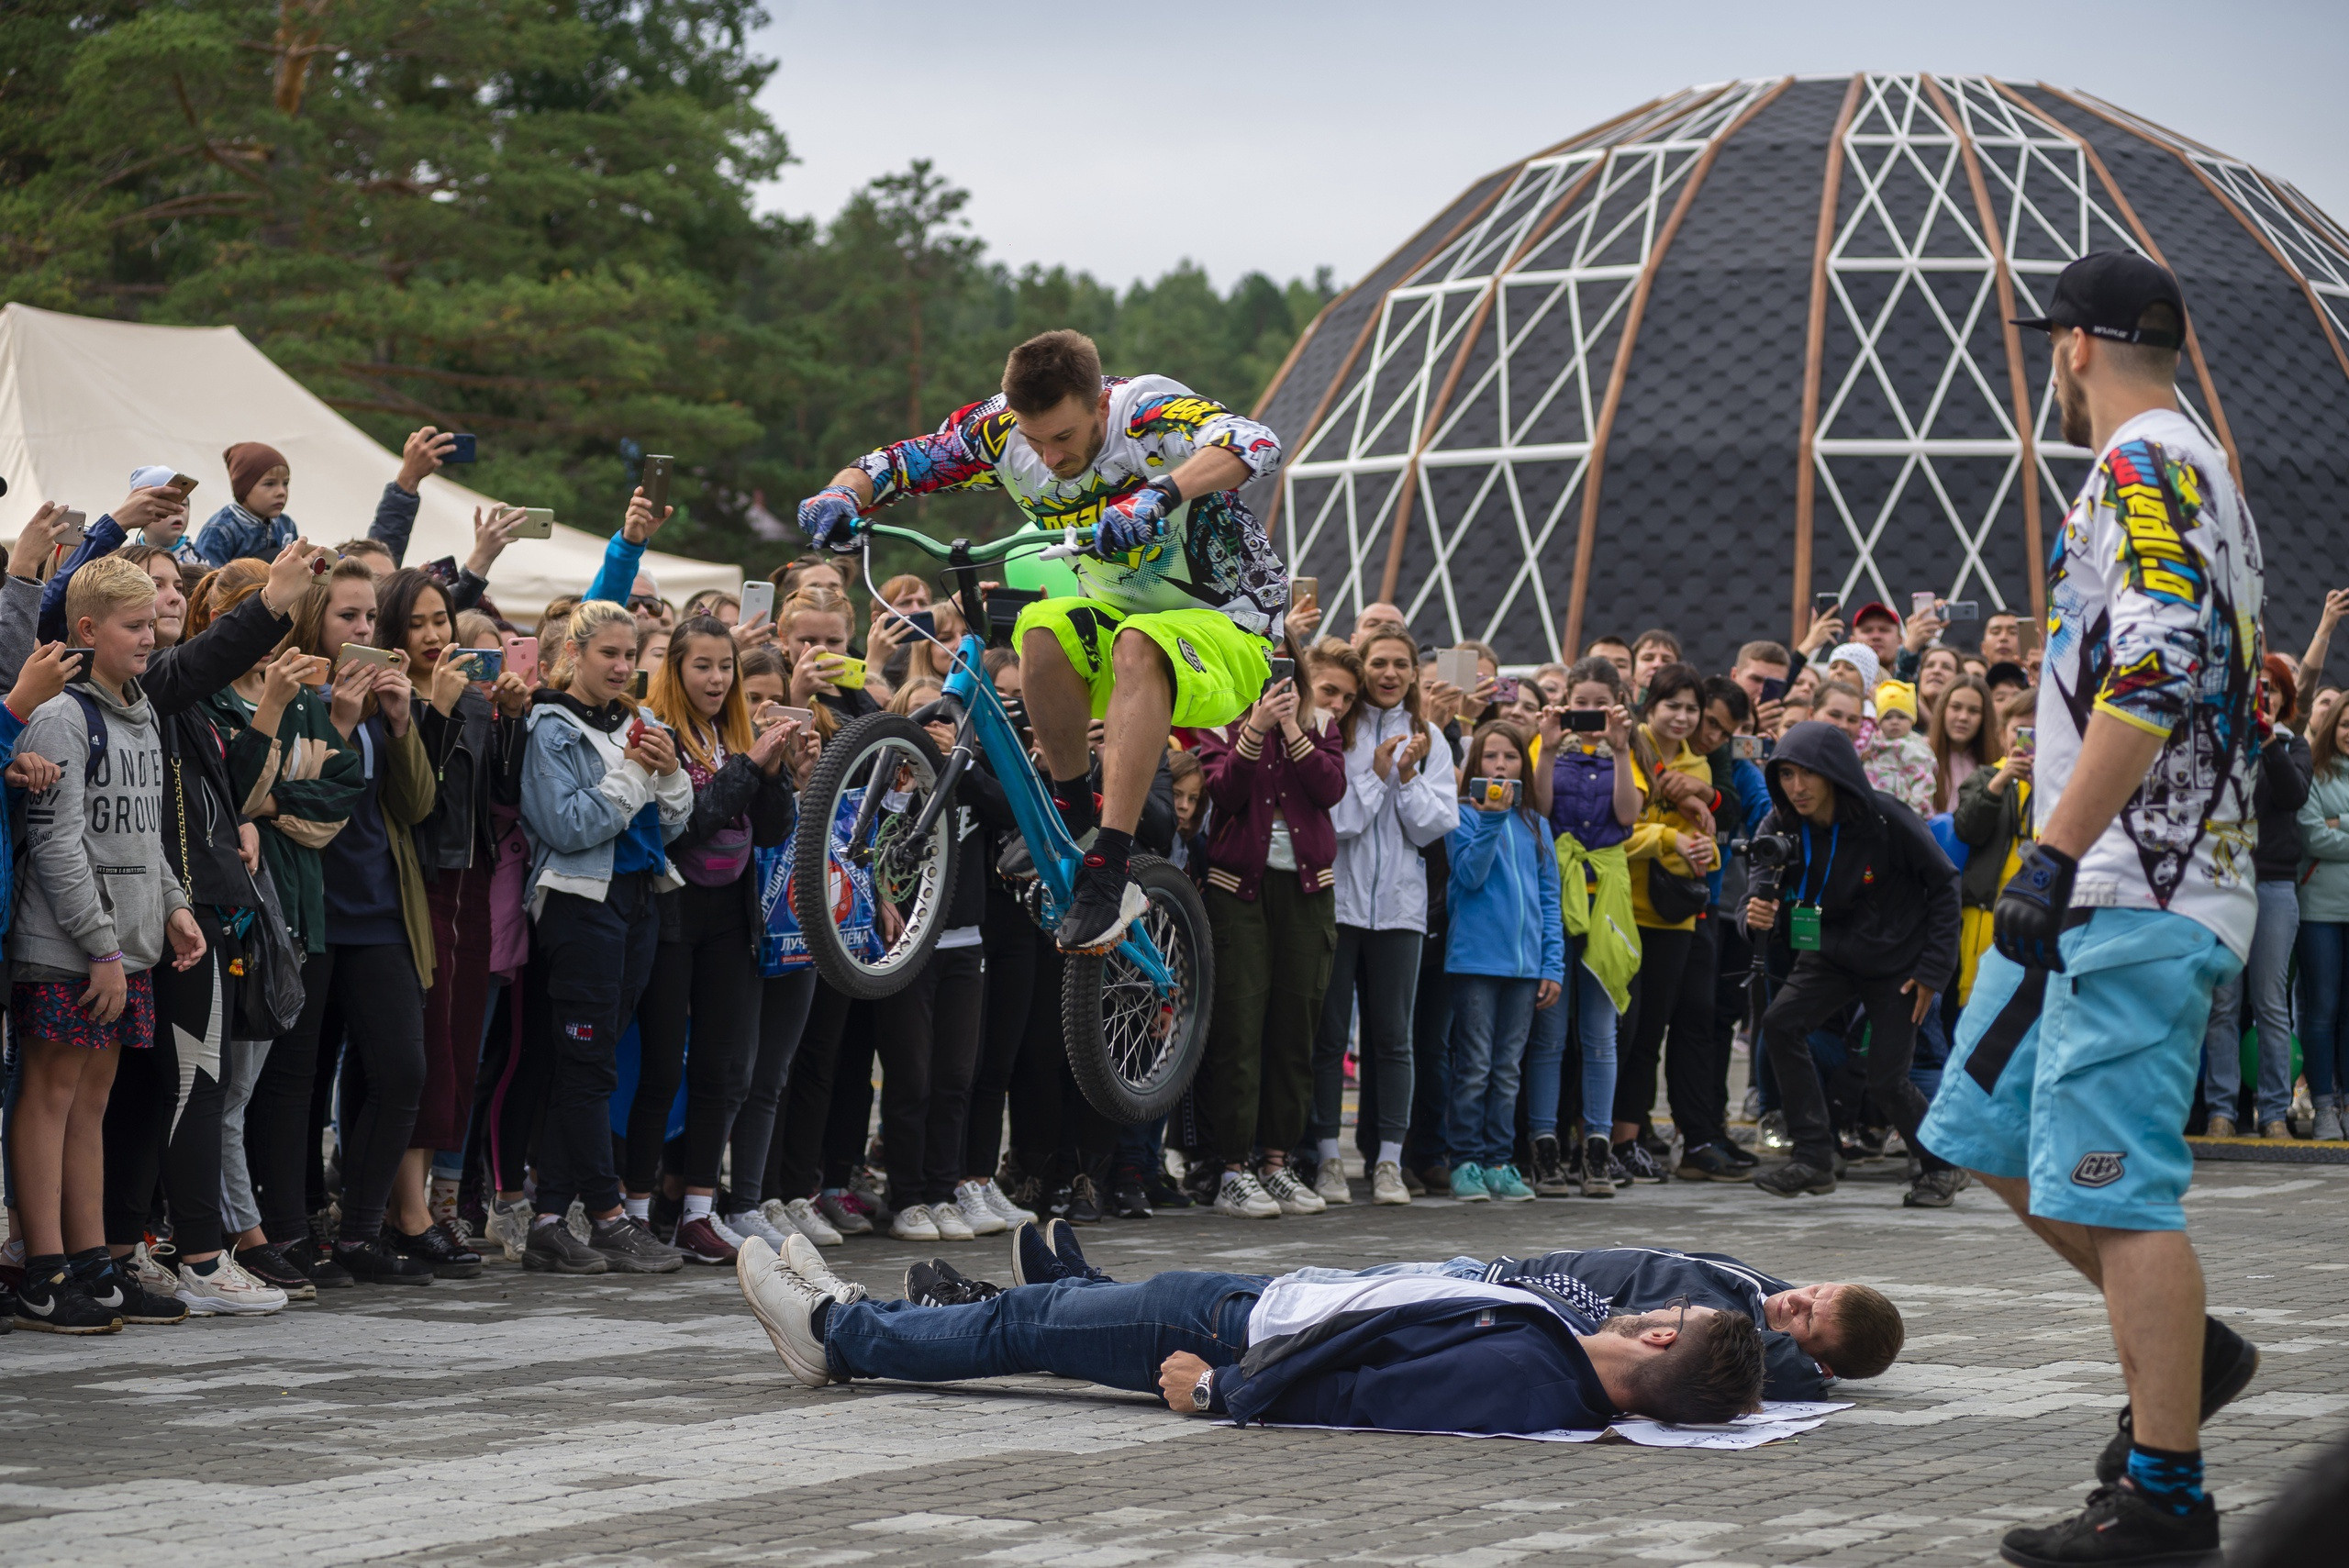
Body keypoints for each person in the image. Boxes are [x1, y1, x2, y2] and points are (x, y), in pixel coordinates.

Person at [1918, 253, 2265, 1566]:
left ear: (2074, 346)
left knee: (2118, 1191)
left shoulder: (2146, 464)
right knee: (1977, 1120)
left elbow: (2167, 655)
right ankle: (2196, 1349)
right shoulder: (2188, 462)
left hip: (2134, 883)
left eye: (2048, 348)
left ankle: (2166, 1496)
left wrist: (2053, 850)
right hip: (2102, 884)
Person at [796, 329, 1285, 953]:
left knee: (1138, 640)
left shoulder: (1145, 415)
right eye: (1035, 441)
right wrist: (844, 492)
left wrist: (1160, 494)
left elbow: (1257, 440)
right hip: (1126, 623)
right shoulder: (999, 432)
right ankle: (1074, 818)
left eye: (1065, 438)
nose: (1049, 459)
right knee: (1043, 631)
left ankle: (1110, 865)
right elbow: (894, 463)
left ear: (1099, 408)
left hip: (1232, 625)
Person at [734, 1225, 1766, 1431]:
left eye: (1673, 1312)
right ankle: (864, 1319)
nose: (1657, 1306)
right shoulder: (1560, 1359)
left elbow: (1366, 1396)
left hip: (1236, 1338)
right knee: (1041, 1316)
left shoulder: (1534, 1381)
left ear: (1665, 1344)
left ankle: (840, 1330)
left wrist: (1219, 1392)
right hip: (1260, 1297)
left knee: (1031, 1321)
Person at [11, 556, 210, 1331]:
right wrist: (98, 944)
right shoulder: (63, 715)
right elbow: (58, 842)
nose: (149, 638)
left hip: (126, 947)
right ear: (87, 630)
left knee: (91, 1102)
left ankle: (94, 1261)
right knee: (51, 1094)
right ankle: (44, 1268)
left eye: (151, 626)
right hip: (68, 946)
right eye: (134, 627)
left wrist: (173, 907)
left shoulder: (144, 710)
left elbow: (146, 832)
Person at [517, 600, 695, 1276]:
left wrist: (670, 770)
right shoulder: (548, 723)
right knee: (587, 1066)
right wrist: (636, 775)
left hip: (640, 900)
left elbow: (675, 821)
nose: (622, 667)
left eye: (631, 655)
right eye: (608, 655)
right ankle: (610, 1215)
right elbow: (566, 824)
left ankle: (549, 1220)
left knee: (590, 1067)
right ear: (575, 655)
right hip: (577, 903)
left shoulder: (636, 720)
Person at [634, 617, 803, 1261]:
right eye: (702, 666)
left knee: (723, 1066)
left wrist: (774, 767)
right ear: (676, 669)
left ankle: (699, 1211)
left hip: (732, 915)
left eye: (724, 666)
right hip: (673, 911)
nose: (716, 679)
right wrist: (748, 767)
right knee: (659, 1065)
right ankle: (637, 1205)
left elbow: (770, 828)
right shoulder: (658, 733)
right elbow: (685, 826)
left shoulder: (733, 730)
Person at [1743, 721, 1965, 1210]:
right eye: (1785, 775)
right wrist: (1754, 914)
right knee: (1780, 1025)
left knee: (1887, 1078)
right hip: (1828, 953)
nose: (1795, 788)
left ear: (1835, 773)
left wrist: (1933, 971)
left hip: (1899, 964)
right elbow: (1757, 892)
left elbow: (1946, 885)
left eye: (1807, 775)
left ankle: (1940, 1166)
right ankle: (1815, 1157)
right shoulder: (1779, 825)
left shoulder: (1886, 818)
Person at [1316, 1244, 1904, 1400]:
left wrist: (1812, 1371)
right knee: (1293, 1293)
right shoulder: (1761, 1296)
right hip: (1479, 1273)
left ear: (1817, 1361)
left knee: (1294, 1310)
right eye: (1817, 1291)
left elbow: (1790, 1376)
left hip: (1477, 1293)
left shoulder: (1744, 1339)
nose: (1796, 1300)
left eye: (1808, 1323)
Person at [1191, 647, 1347, 1219]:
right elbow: (1225, 794)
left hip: (1308, 890)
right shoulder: (1217, 721)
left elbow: (1330, 789)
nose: (1273, 680)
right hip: (1237, 890)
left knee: (1295, 1027)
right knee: (1240, 1025)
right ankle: (1233, 1168)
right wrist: (1254, 728)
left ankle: (1278, 1163)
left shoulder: (1323, 723)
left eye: (1282, 669)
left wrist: (1290, 725)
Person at [1309, 628, 1457, 1206]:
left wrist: (1410, 776)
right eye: (1379, 663)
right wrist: (1373, 772)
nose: (1390, 673)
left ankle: (1389, 1163)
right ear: (1362, 667)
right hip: (1338, 902)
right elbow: (1339, 822)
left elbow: (1433, 827)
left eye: (1401, 664)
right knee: (1327, 1036)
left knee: (1393, 1039)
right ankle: (1326, 1159)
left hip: (1400, 908)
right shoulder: (1337, 729)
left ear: (1415, 674)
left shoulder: (1431, 738)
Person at [1527, 659, 1641, 1197]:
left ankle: (1597, 1149)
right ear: (1567, 702)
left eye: (1602, 704)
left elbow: (1627, 815)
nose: (1590, 715)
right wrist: (1547, 747)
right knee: (1550, 1035)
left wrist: (1621, 749)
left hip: (1608, 900)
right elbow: (1541, 809)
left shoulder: (1626, 751)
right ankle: (1544, 1148)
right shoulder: (1544, 747)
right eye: (1582, 704)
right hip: (1557, 892)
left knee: (1599, 1035)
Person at [1441, 720, 1563, 1204]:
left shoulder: (1537, 824)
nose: (1499, 765)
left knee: (1508, 1068)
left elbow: (1549, 898)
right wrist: (1490, 818)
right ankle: (1465, 1160)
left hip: (1525, 967)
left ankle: (1499, 1160)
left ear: (1523, 766)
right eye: (1490, 757)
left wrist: (1551, 964)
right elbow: (1469, 877)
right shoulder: (1463, 816)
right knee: (1473, 1066)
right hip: (1475, 962)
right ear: (1475, 764)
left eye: (1510, 757)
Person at [1616, 662, 1717, 1183]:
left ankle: (1627, 1139)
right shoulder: (1628, 749)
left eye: (1690, 708)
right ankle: (1595, 1134)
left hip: (1672, 917)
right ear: (1648, 706)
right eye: (1671, 706)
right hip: (1621, 909)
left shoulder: (1700, 767)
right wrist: (1668, 837)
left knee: (1651, 1030)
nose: (1681, 717)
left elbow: (1704, 853)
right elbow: (1615, 831)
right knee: (1618, 1030)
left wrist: (1699, 846)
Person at [2199, 657, 2309, 1139]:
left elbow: (2292, 796)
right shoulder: (2216, 742)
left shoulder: (2292, 744)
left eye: (2271, 690)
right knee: (2223, 1001)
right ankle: (2221, 1110)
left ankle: (2273, 1110)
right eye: (2254, 690)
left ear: (2285, 699)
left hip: (2274, 884)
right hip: (2222, 881)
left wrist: (2266, 739)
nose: (2263, 698)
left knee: (2270, 1003)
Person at [1951, 692, 2039, 1009]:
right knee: (1975, 1003)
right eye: (2020, 731)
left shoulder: (2057, 782)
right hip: (1986, 911)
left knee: (2023, 1006)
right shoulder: (1986, 776)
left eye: (2036, 731)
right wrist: (2001, 781)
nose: (2027, 740)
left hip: (2035, 912)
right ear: (2002, 734)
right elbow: (1967, 829)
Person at [2298, 693, 2349, 1140]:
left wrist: (2340, 822)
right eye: (2347, 723)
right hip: (2319, 912)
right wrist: (2330, 827)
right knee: (2322, 1012)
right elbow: (2314, 838)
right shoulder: (2314, 771)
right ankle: (2324, 1108)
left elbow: (2331, 831)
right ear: (2332, 725)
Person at [1927, 673, 2000, 813]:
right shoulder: (1919, 754)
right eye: (1956, 707)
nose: (1963, 717)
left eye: (1974, 711)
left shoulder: (1996, 763)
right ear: (1943, 709)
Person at [1861, 681, 1936, 815]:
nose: (1894, 722)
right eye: (1887, 717)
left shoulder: (1915, 747)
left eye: (1902, 717)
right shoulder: (1873, 742)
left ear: (1912, 720)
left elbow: (1923, 779)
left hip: (1903, 810)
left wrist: (1916, 811)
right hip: (1872, 808)